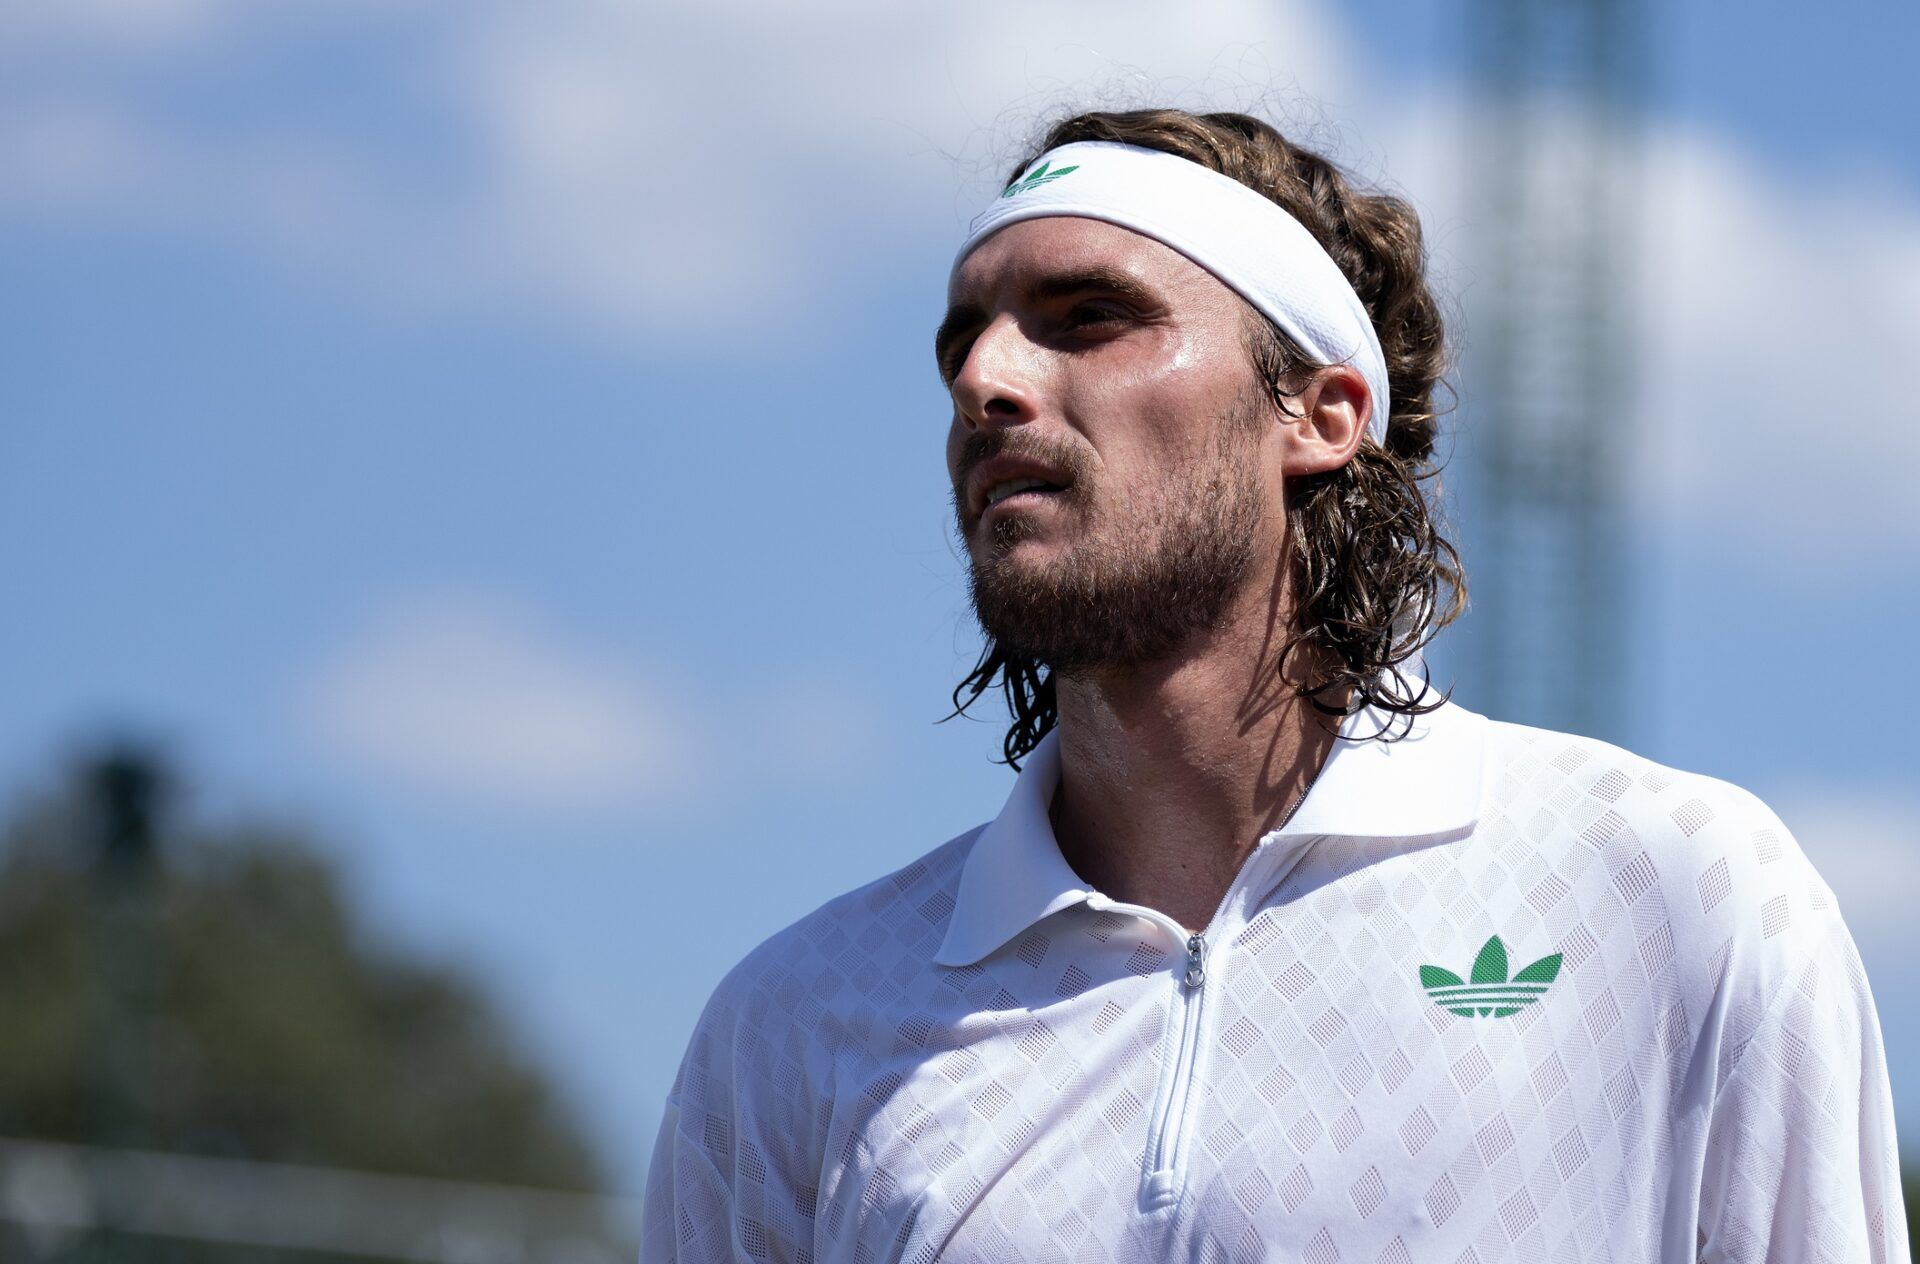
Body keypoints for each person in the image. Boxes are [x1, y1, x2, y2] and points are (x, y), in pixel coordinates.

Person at [641, 108, 1907, 1262]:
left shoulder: (1676, 890)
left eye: (1089, 317)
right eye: (964, 341)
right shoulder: (794, 1025)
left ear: (1320, 411)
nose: (985, 379)